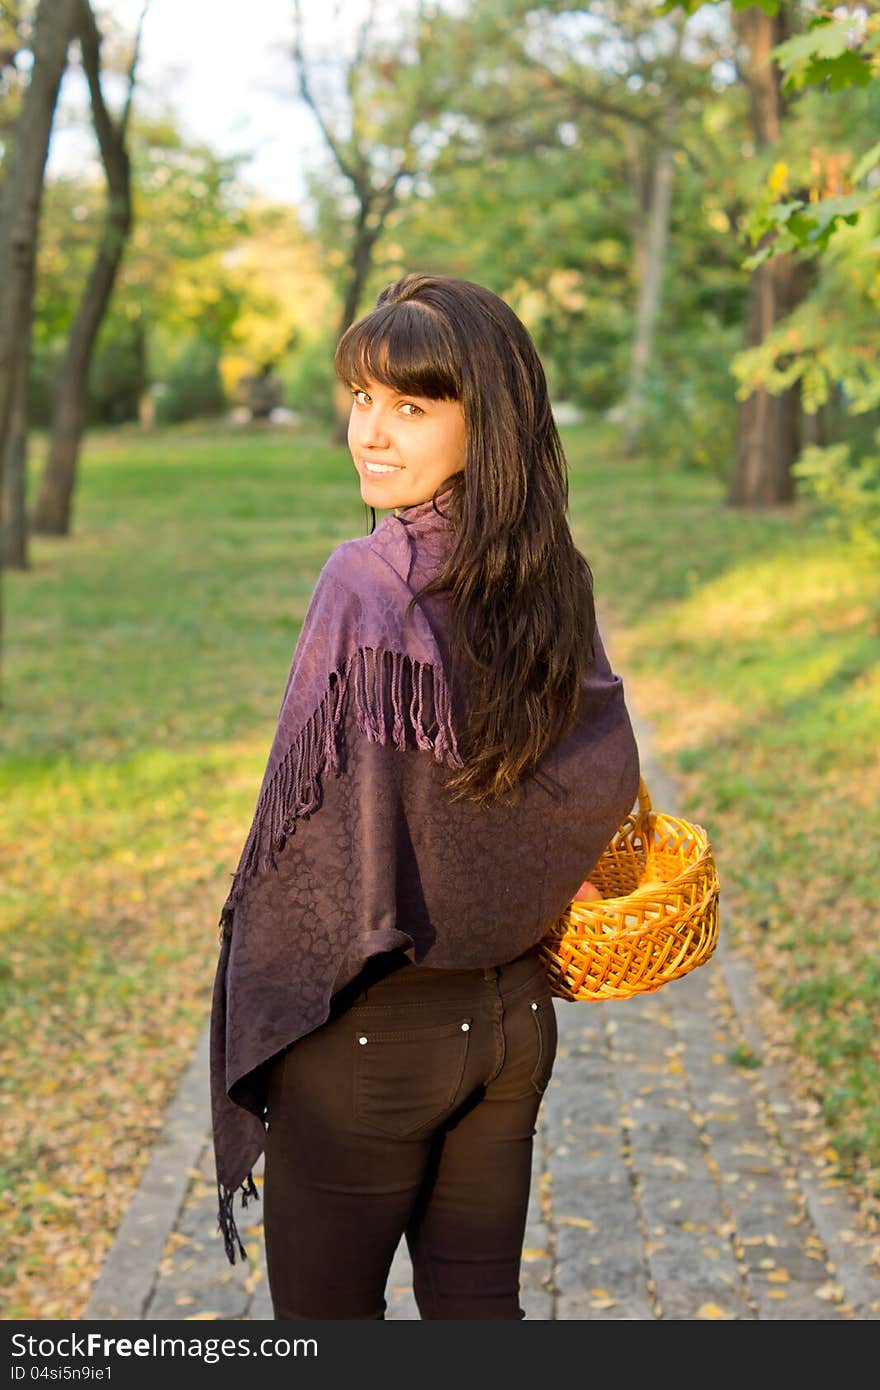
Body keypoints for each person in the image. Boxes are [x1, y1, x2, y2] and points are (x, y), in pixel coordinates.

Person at [209, 272, 641, 1321]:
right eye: (360, 397)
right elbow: (600, 773)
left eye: (412, 404)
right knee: (479, 1315)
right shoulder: (549, 573)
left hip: (372, 1038)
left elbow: (314, 847)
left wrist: (263, 996)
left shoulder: (368, 579)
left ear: (483, 419)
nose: (372, 433)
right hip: (512, 1025)